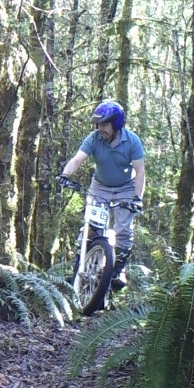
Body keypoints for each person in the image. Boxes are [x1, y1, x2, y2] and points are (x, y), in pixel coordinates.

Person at [57, 99, 145, 289]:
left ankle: (116, 272)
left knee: (123, 230)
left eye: (104, 124)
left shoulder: (132, 141)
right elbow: (77, 159)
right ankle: (79, 270)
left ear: (116, 123)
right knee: (89, 228)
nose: (100, 128)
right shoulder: (94, 139)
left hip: (126, 188)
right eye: (98, 124)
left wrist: (137, 199)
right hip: (100, 187)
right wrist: (65, 174)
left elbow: (140, 172)